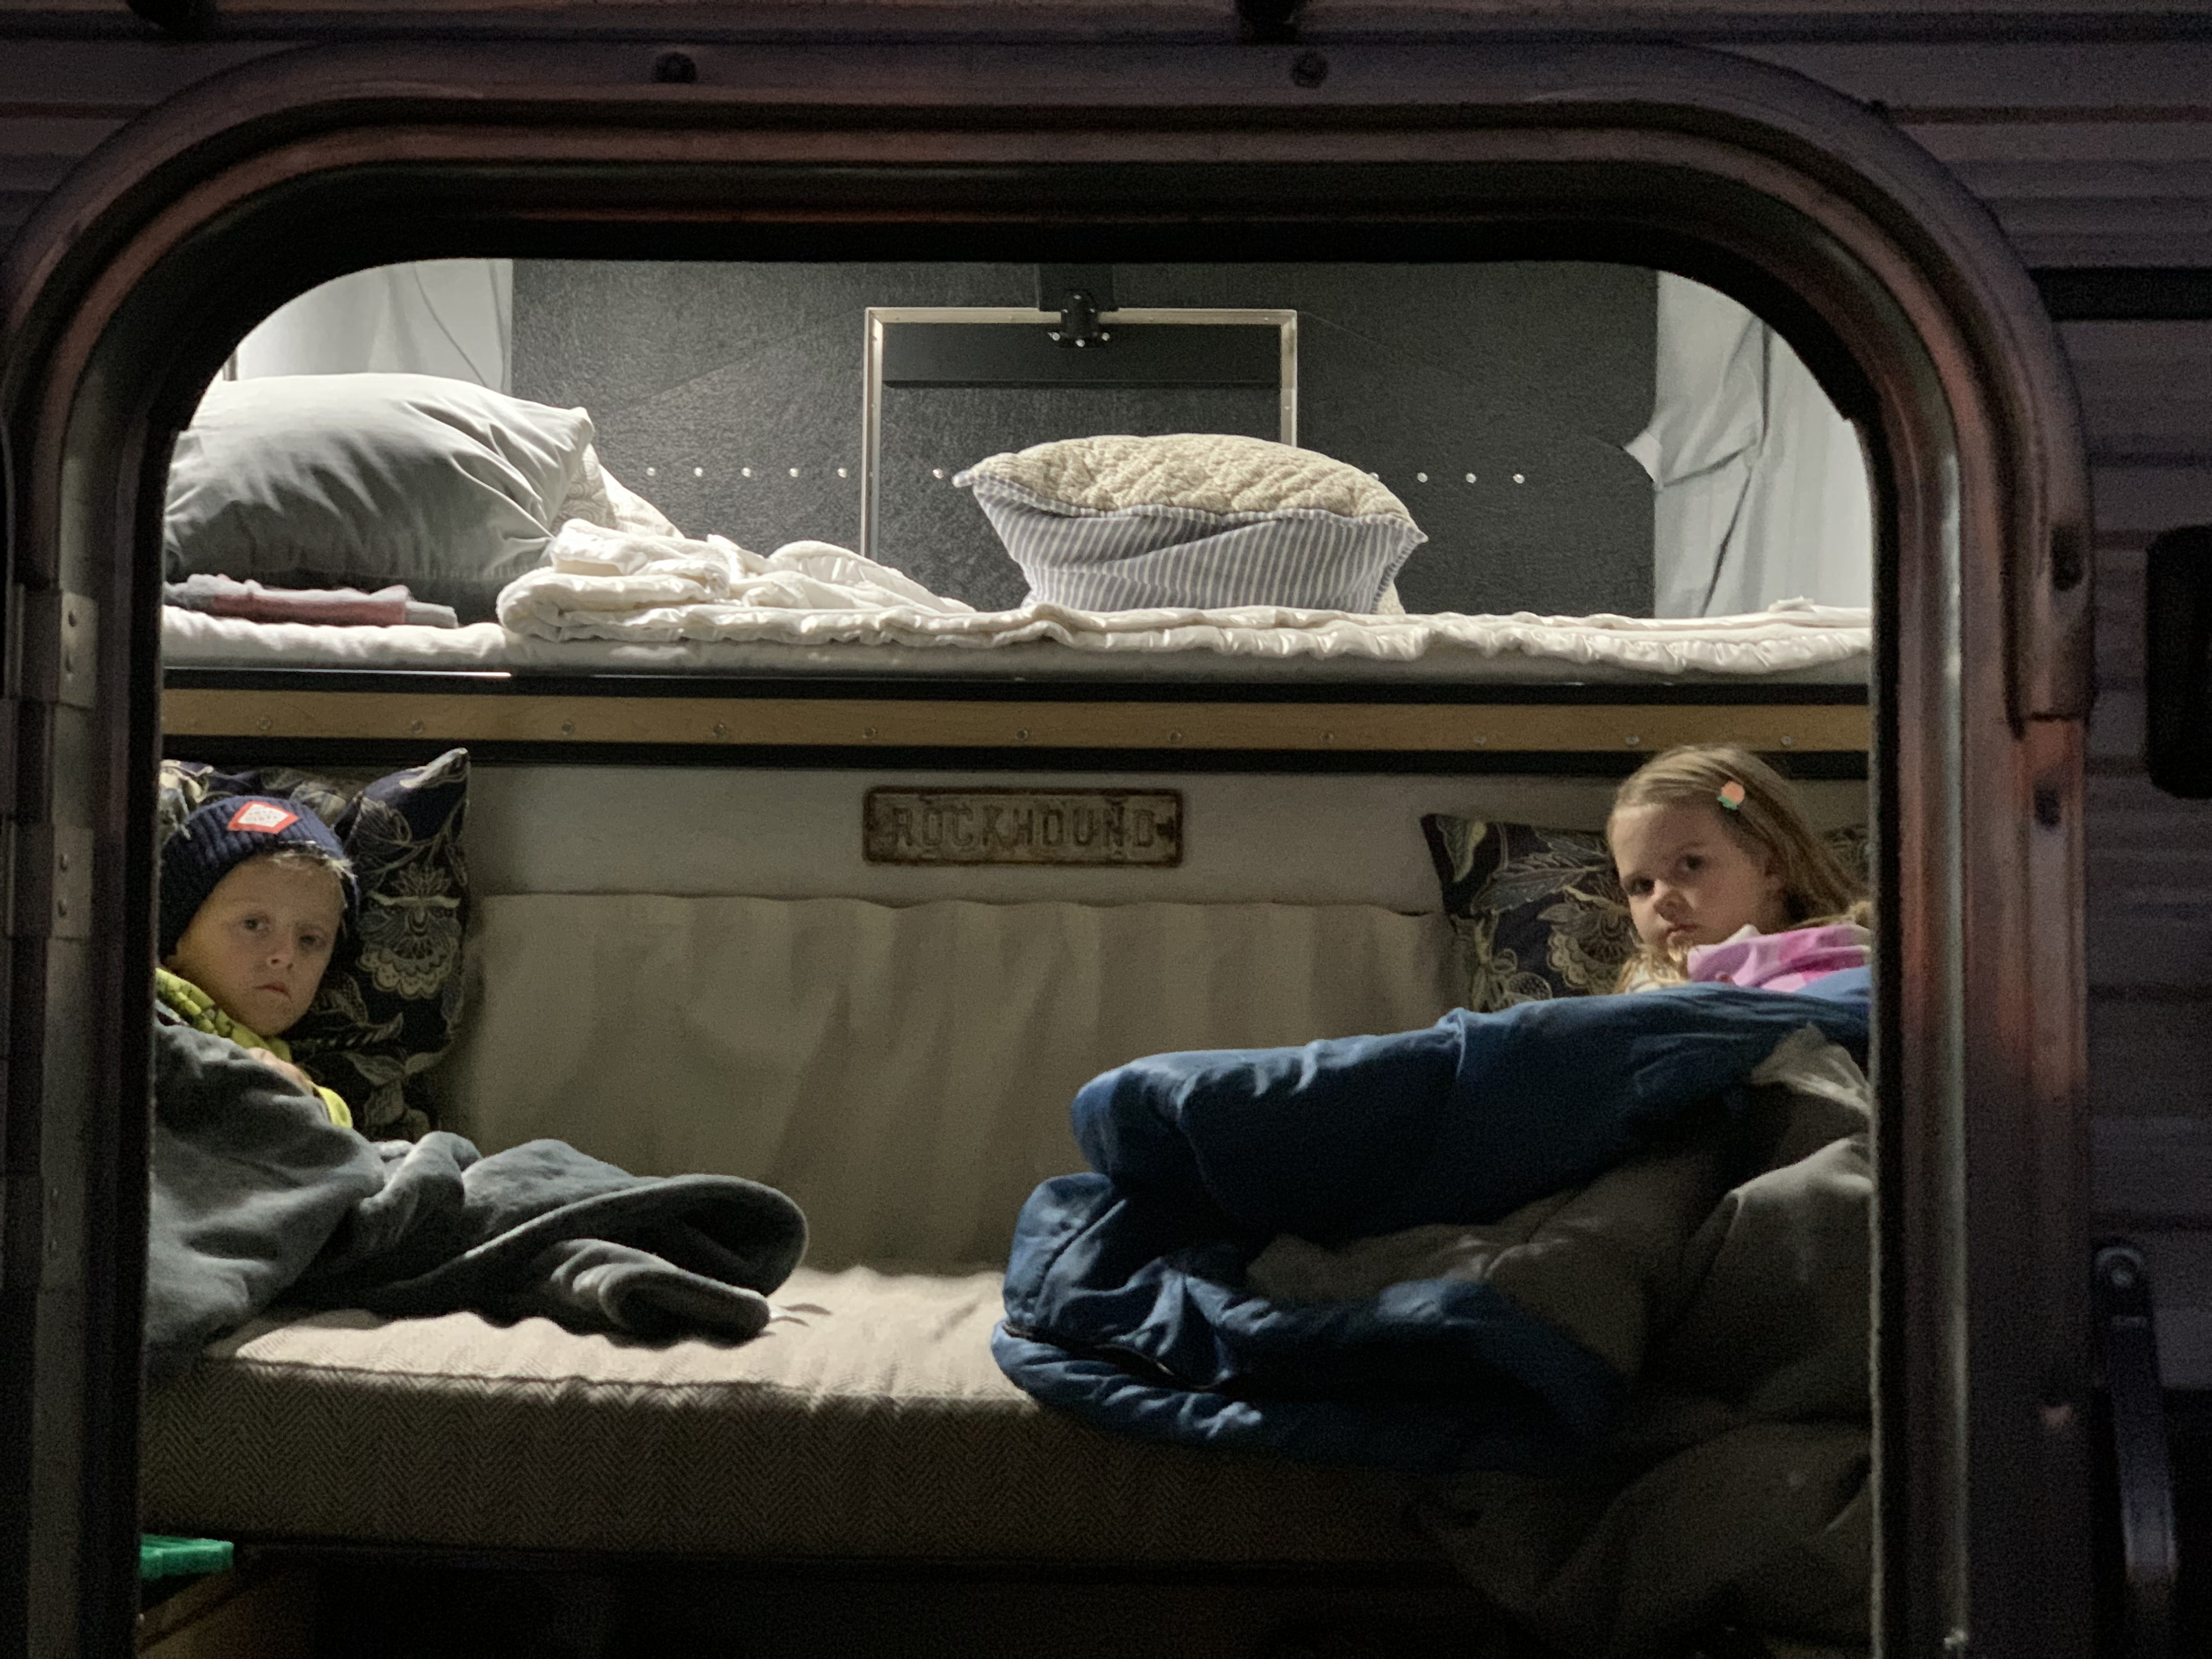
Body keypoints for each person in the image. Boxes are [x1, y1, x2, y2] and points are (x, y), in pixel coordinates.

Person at [156, 795, 357, 1127]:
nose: (285, 955)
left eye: (310, 940)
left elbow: (344, 1140)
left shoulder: (281, 1057)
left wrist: (310, 1096)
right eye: (253, 925)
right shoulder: (151, 1007)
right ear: (176, 939)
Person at [1606, 742, 1869, 994]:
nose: (1661, 899)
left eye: (1691, 865)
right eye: (1641, 886)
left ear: (1772, 867)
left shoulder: (1847, 960)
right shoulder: (1647, 983)